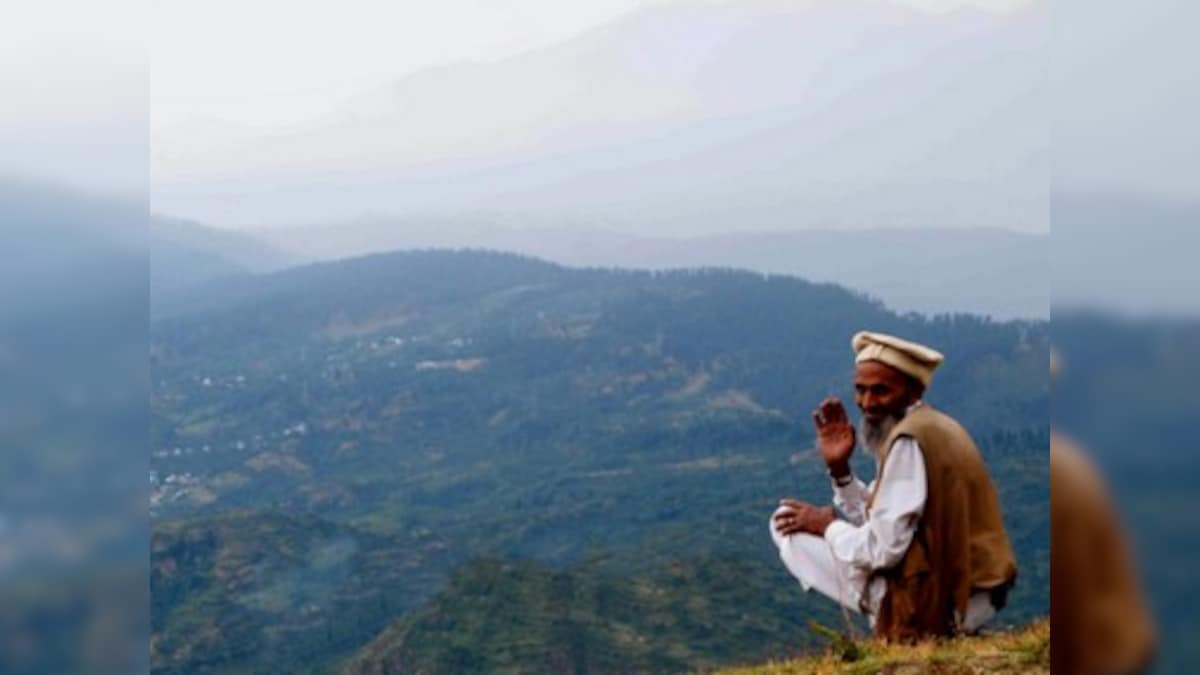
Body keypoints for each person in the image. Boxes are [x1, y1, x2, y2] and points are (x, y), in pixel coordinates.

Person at [769, 331, 1017, 640]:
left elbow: (883, 548)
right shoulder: (933, 426)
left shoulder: (909, 441)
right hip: (979, 594)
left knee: (784, 526)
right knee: (801, 524)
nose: (867, 402)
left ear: (913, 390)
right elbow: (884, 517)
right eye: (860, 390)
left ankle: (897, 623)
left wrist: (827, 527)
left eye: (881, 391)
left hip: (944, 603)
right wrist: (840, 471)